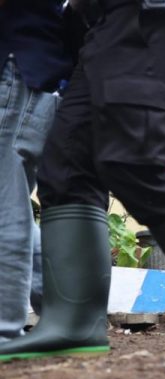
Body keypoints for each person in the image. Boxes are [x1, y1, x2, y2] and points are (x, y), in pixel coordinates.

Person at [0, 0, 165, 363]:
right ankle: (72, 321)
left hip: (145, 19)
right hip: (97, 30)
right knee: (65, 167)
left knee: (131, 161)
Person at [0, 0, 74, 342]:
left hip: (18, 72)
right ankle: (69, 315)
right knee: (12, 205)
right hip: (29, 71)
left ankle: (4, 328)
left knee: (6, 208)